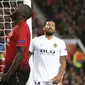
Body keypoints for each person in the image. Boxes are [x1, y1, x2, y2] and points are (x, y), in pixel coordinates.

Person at [28, 20, 68, 85]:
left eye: (53, 26)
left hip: (54, 80)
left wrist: (59, 76)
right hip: (38, 80)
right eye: (48, 25)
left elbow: (63, 62)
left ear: (55, 29)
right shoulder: (35, 41)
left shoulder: (60, 43)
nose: (50, 27)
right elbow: (27, 57)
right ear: (43, 28)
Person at [1, 4, 32, 85]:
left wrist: (9, 74)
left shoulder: (22, 27)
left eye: (17, 8)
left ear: (22, 13)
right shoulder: (17, 27)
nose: (14, 8)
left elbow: (20, 53)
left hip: (17, 70)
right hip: (12, 69)